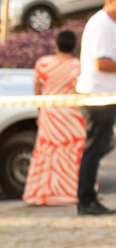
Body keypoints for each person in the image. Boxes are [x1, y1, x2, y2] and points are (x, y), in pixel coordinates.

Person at [23, 30, 84, 207]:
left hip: (50, 112)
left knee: (46, 152)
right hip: (71, 113)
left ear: (56, 45)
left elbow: (37, 86)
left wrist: (40, 109)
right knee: (72, 152)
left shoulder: (43, 64)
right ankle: (72, 190)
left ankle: (41, 192)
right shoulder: (78, 66)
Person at [77, 0, 116, 215]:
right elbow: (102, 63)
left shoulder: (108, 23)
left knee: (102, 144)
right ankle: (86, 199)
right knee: (94, 148)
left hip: (105, 94)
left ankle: (88, 196)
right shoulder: (102, 24)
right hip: (97, 95)